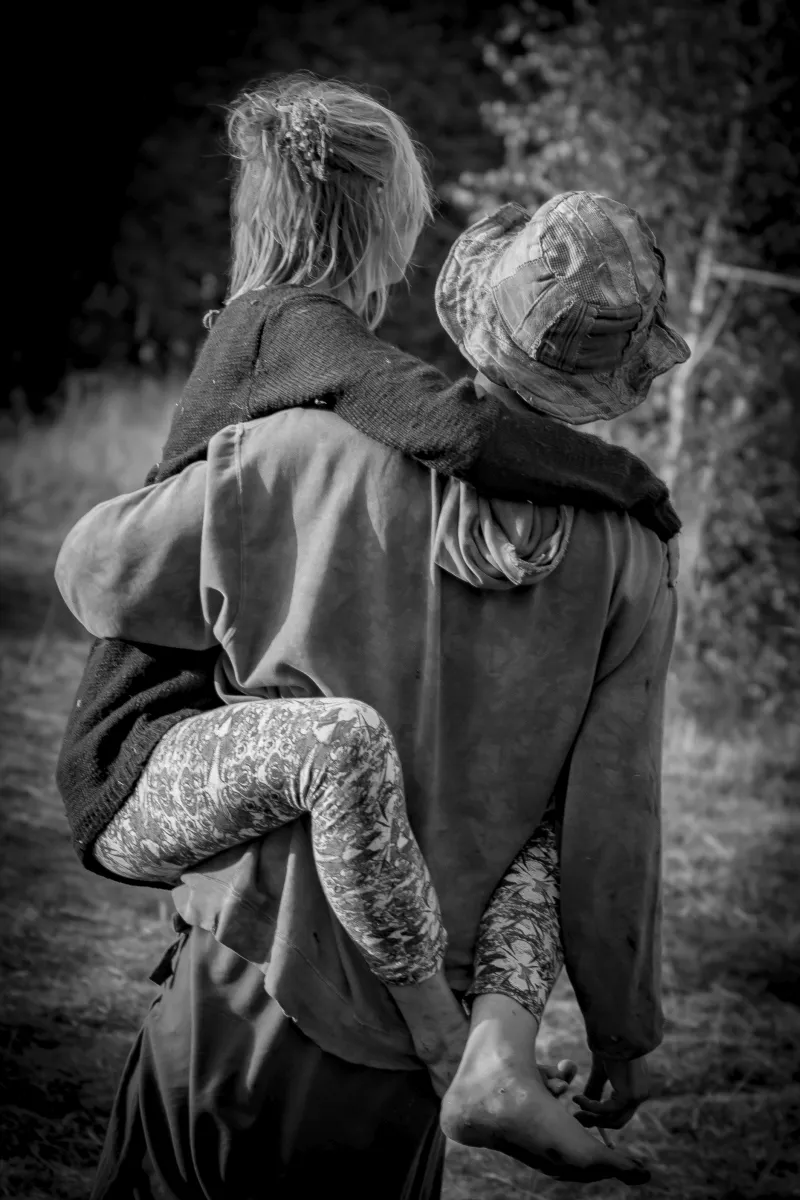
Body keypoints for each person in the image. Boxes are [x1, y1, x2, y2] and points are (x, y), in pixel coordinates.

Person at [58, 188, 684, 1197]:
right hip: (412, 1057)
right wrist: (621, 1034)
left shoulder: (294, 456)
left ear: (479, 314)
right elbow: (608, 824)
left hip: (240, 988)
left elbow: (96, 576)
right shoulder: (631, 560)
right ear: (616, 373)